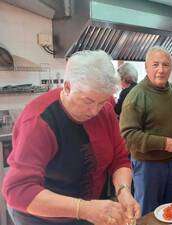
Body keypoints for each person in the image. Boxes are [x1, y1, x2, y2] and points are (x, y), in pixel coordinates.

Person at [2, 50, 140, 225]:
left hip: (87, 210)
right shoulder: (39, 121)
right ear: (67, 87)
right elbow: (18, 190)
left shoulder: (104, 111)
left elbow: (119, 159)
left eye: (102, 102)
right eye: (88, 101)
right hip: (42, 217)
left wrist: (124, 191)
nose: (95, 111)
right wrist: (84, 209)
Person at [120, 46, 172, 216]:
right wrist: (163, 143)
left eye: (165, 65)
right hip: (147, 165)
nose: (161, 70)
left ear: (171, 68)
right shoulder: (137, 95)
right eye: (155, 65)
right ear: (146, 67)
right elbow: (128, 135)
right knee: (147, 212)